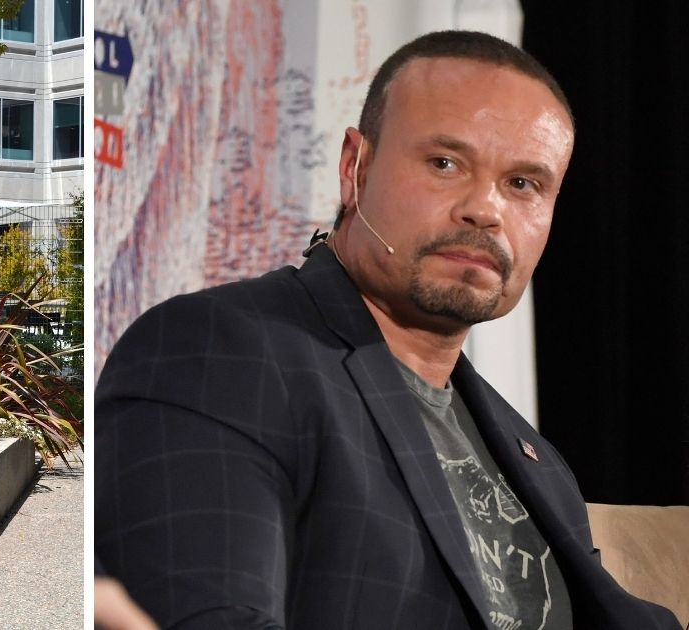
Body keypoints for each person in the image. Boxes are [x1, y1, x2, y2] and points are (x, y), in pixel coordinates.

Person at [95, 30, 681, 630]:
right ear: (356, 168)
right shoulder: (218, 352)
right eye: (445, 163)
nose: (486, 209)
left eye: (523, 184)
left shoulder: (539, 463)